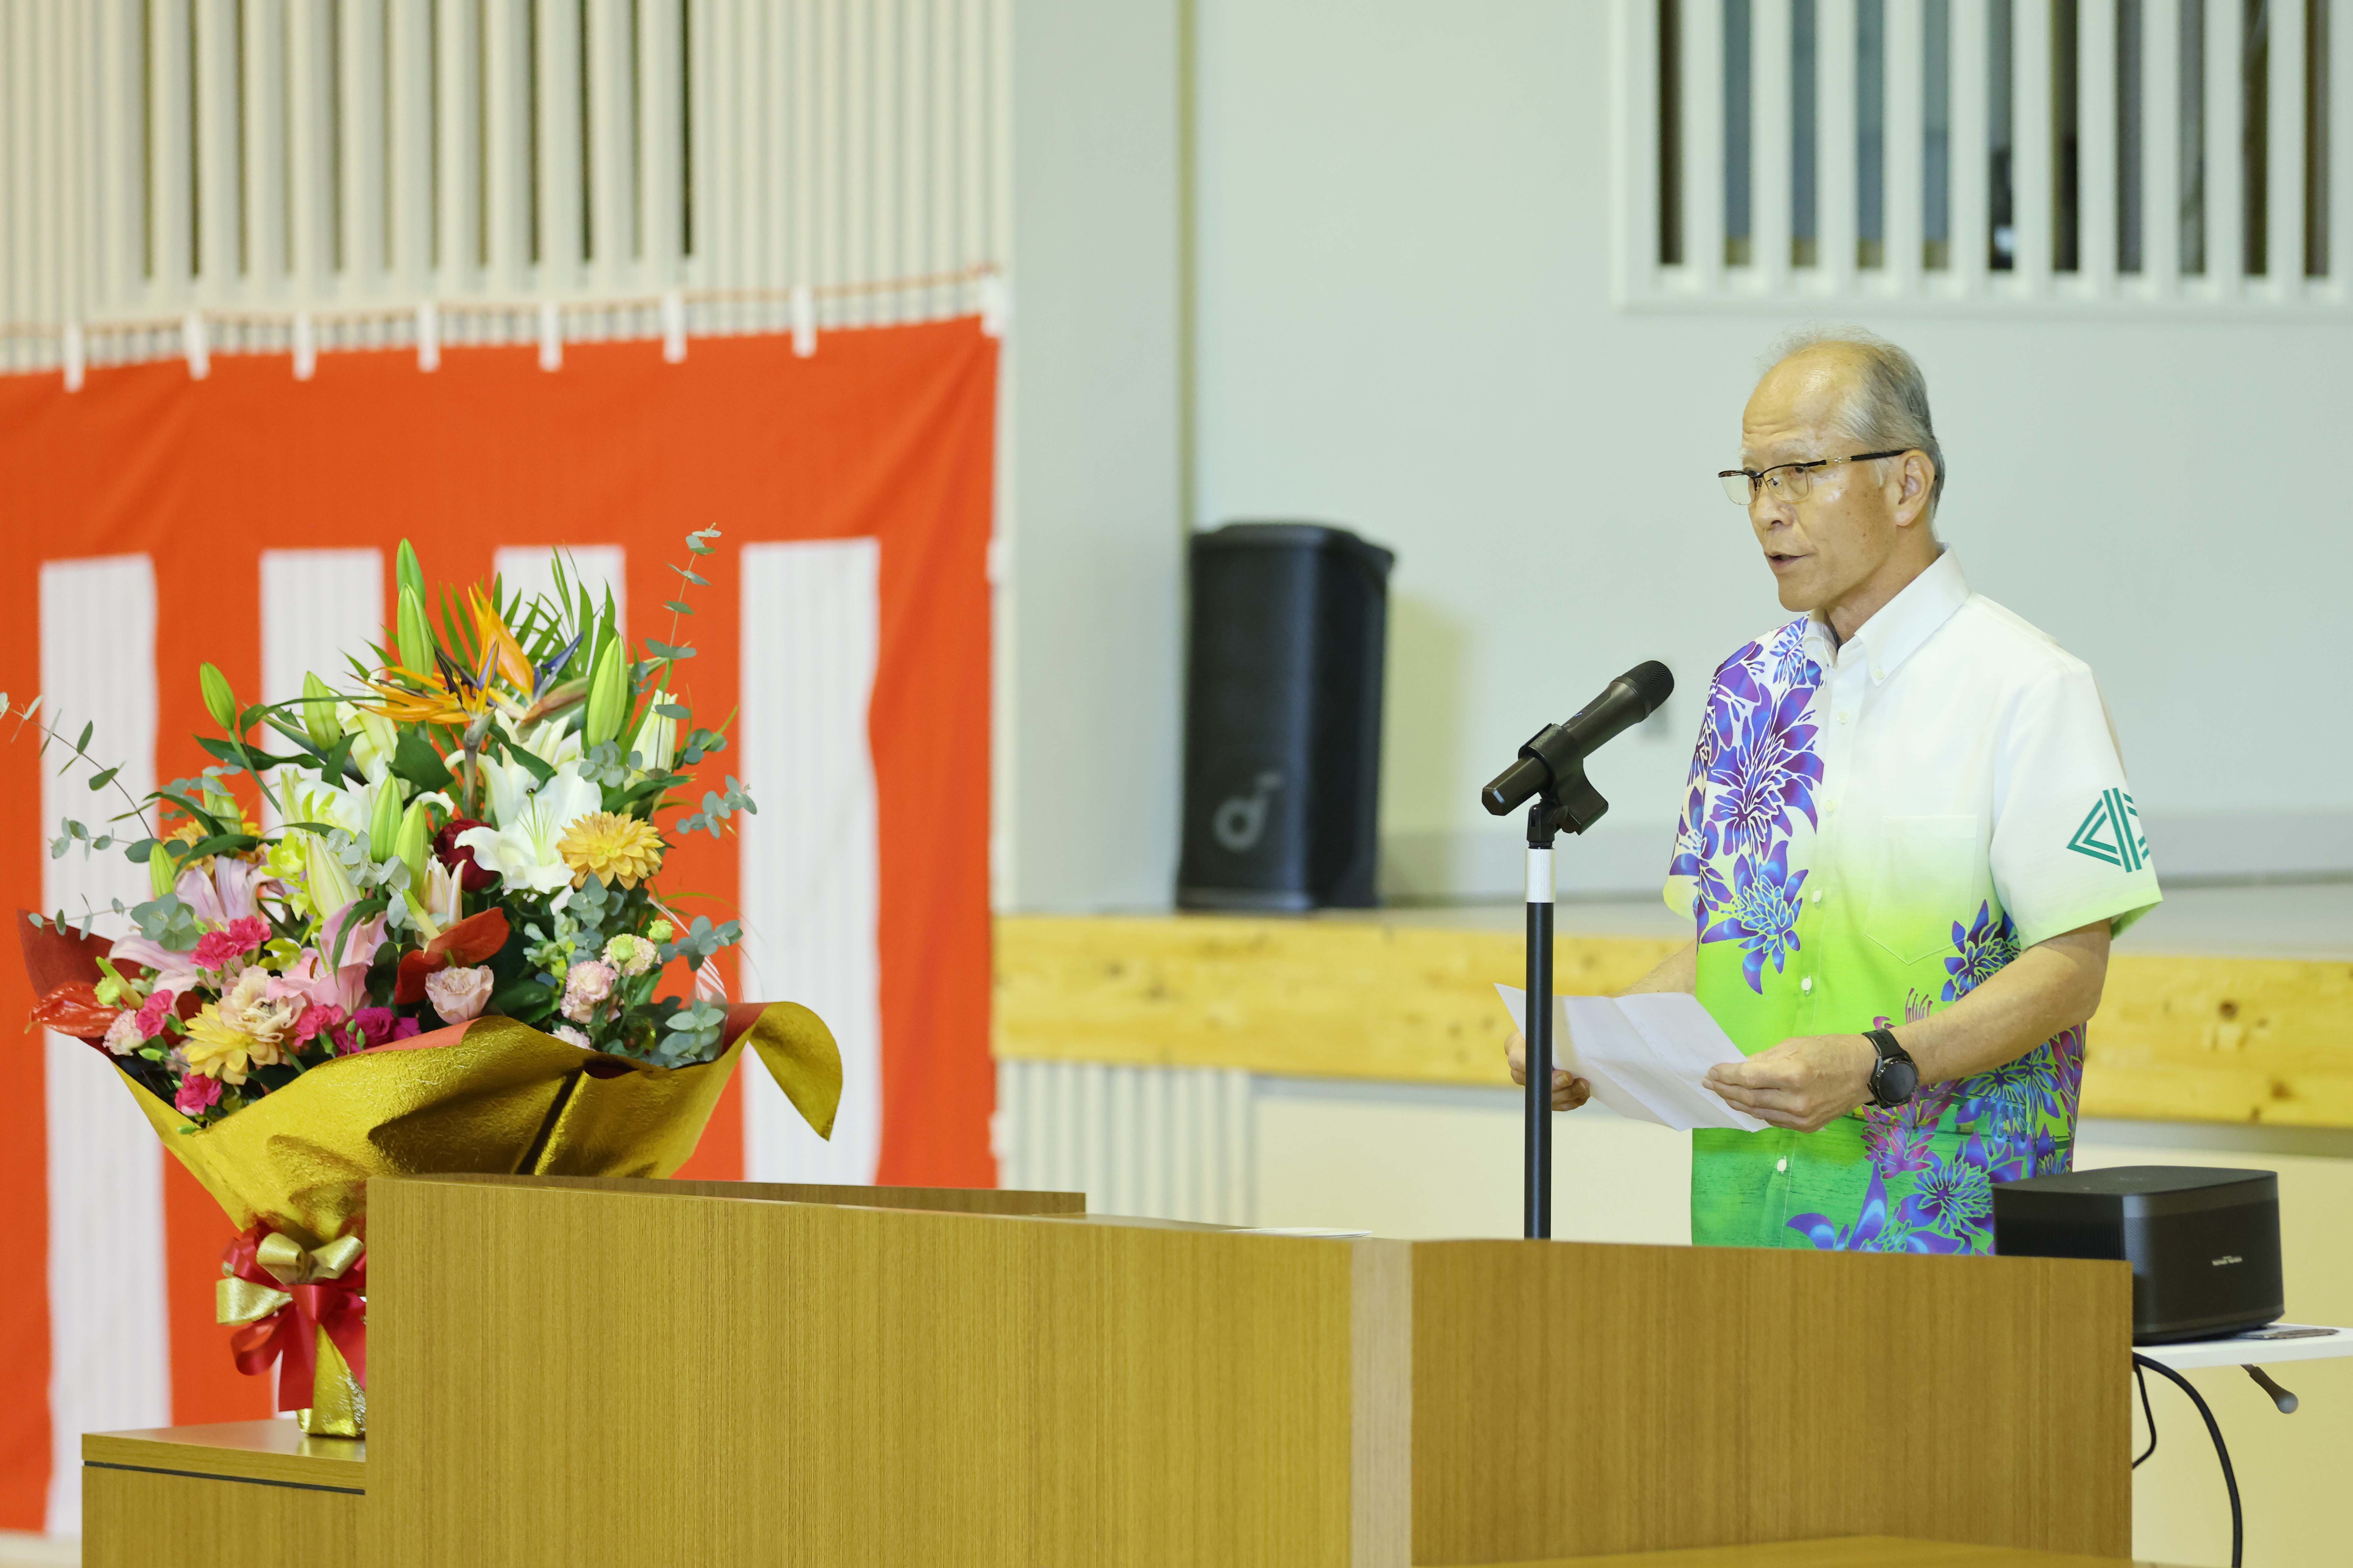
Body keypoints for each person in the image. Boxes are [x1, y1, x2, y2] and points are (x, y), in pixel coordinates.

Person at [1510, 327, 2160, 1253]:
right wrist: (1592, 1042)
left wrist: (1875, 1064)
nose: (1767, 511)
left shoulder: (2029, 687)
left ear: (1907, 484)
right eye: (1752, 479)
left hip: (1943, 1234)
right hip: (1746, 1220)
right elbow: (1728, 948)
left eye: (1801, 472)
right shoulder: (1747, 689)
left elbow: (2070, 970)